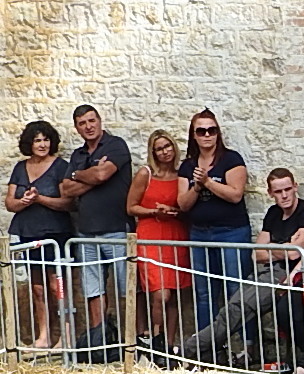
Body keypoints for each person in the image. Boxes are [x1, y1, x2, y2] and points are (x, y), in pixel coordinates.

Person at [178, 167, 304, 368]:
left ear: (295, 187)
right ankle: (196, 353)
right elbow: (256, 254)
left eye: (287, 189)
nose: (284, 195)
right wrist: (280, 247)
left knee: (236, 311)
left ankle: (186, 351)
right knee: (230, 311)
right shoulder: (273, 213)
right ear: (270, 193)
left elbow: (295, 252)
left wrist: (271, 248)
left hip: (286, 275)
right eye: (278, 192)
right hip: (264, 272)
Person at [59, 104, 134, 350]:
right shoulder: (78, 156)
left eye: (92, 121)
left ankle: (135, 339)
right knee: (94, 290)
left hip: (116, 228)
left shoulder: (116, 145)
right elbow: (65, 190)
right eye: (82, 123)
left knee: (128, 287)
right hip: (86, 232)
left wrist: (79, 175)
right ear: (77, 128)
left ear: (100, 121)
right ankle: (100, 342)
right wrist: (90, 173)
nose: (88, 127)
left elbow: (102, 175)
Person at [174, 109, 250, 333]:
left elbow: (235, 194)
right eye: (201, 130)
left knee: (235, 290)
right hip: (199, 233)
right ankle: (207, 345)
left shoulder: (231, 159)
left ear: (218, 133)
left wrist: (207, 182)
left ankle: (243, 344)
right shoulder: (188, 166)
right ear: (194, 135)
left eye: (211, 130)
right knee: (204, 292)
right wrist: (196, 186)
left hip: (231, 232)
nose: (207, 134)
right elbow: (183, 204)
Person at [7, 120, 75, 350]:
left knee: (57, 286)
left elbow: (68, 202)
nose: (42, 144)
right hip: (28, 232)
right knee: (37, 288)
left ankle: (66, 333)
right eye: (37, 140)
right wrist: (23, 201)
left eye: (46, 139)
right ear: (30, 143)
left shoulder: (60, 166)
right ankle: (44, 335)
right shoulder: (20, 167)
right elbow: (9, 202)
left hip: (56, 232)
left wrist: (40, 199)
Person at [126, 130, 190, 351]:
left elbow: (186, 206)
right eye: (160, 148)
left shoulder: (182, 175)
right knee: (160, 292)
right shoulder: (146, 174)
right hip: (150, 234)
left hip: (175, 233)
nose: (165, 152)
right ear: (153, 152)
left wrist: (173, 211)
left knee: (173, 294)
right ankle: (155, 338)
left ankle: (169, 345)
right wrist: (154, 212)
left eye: (168, 146)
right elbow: (131, 206)